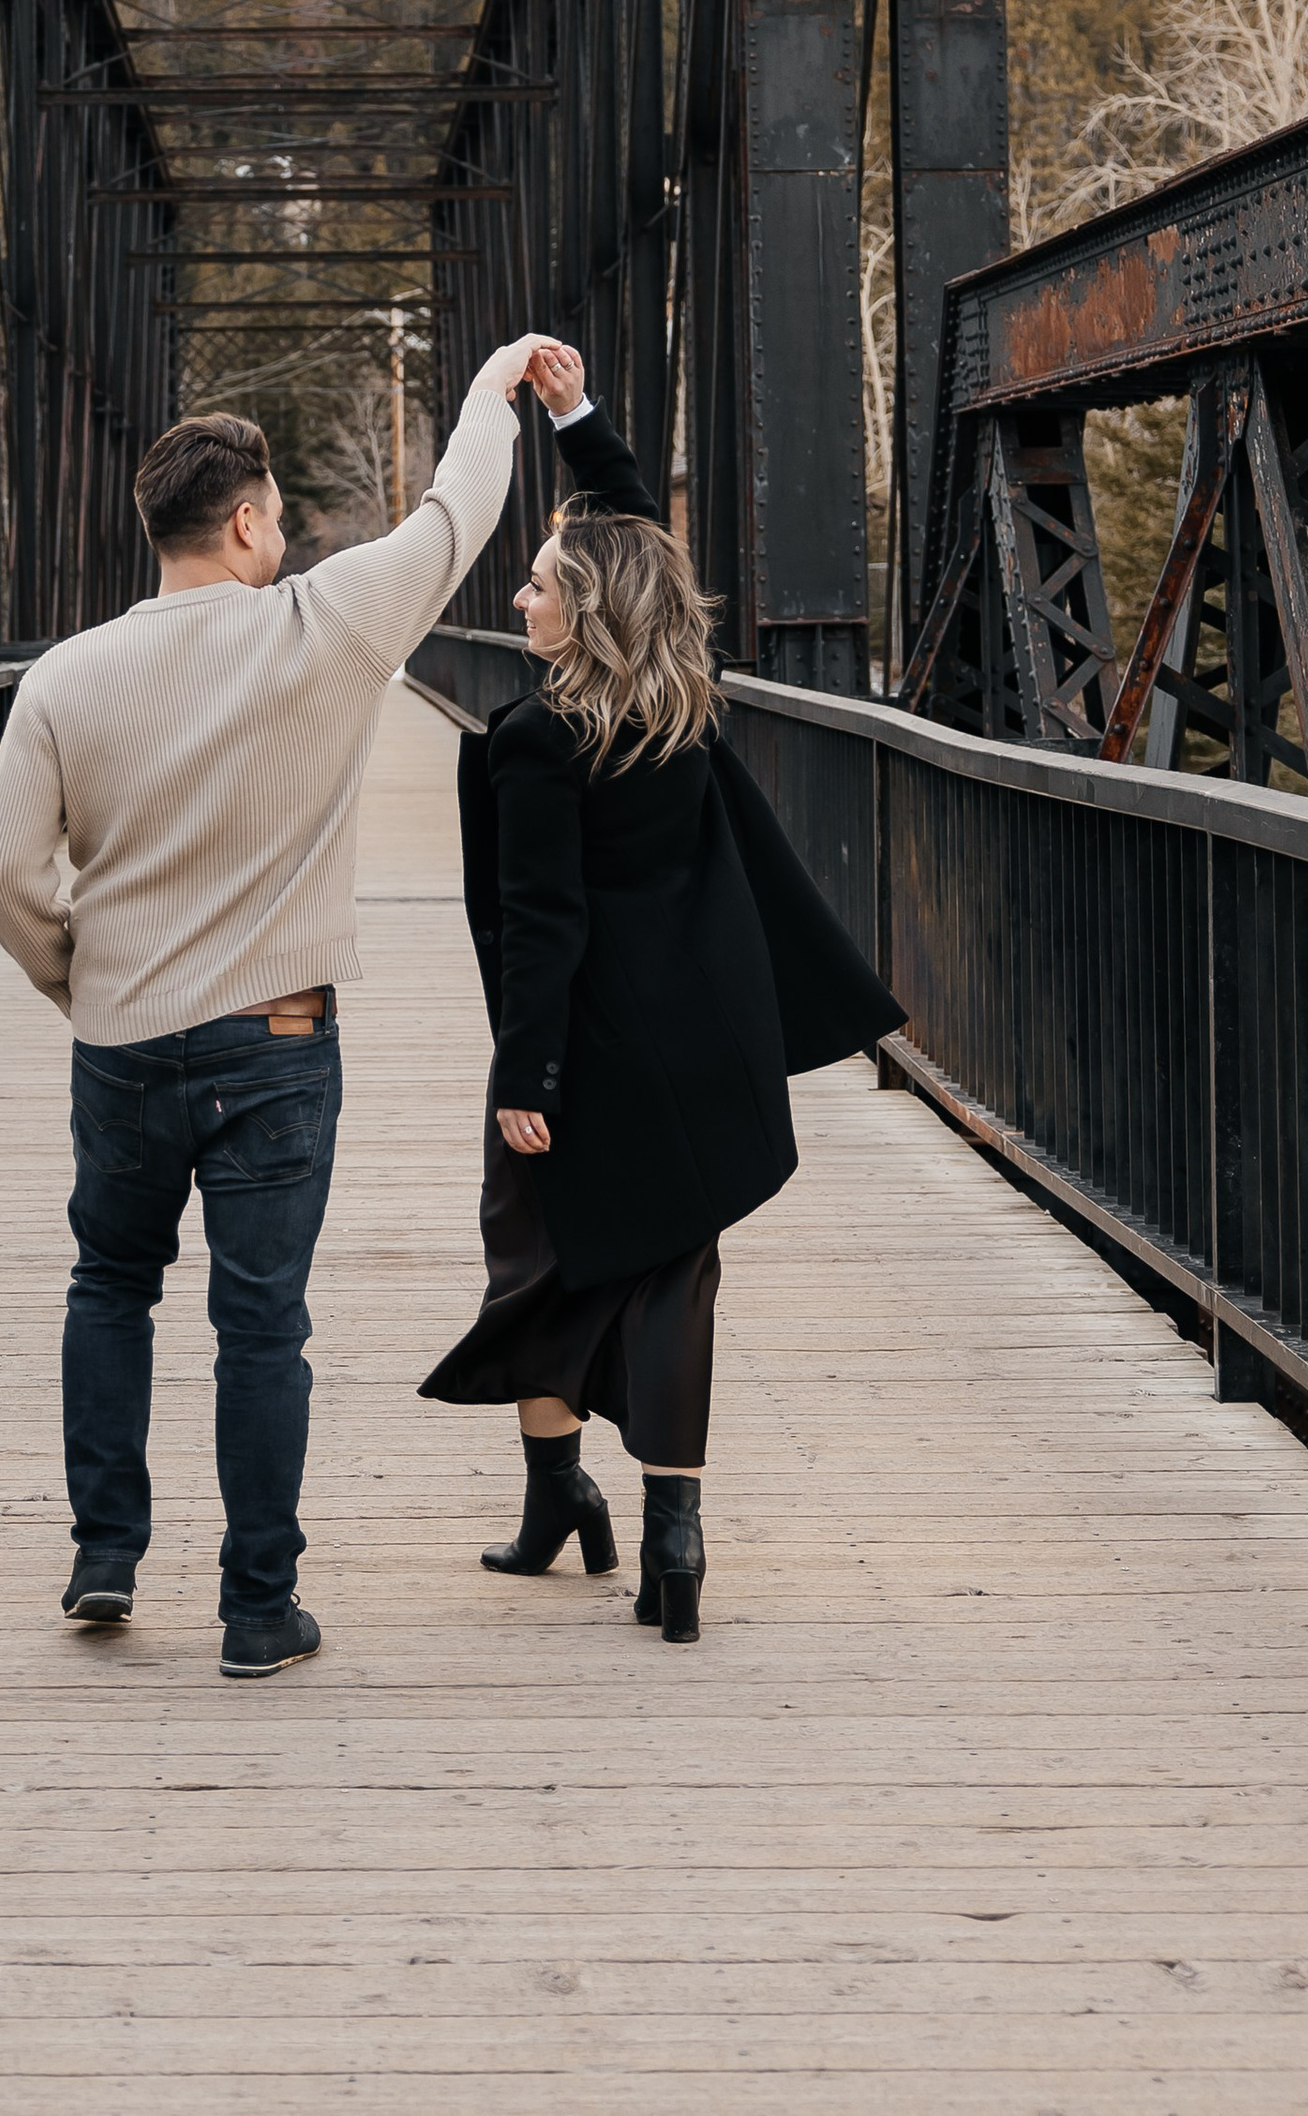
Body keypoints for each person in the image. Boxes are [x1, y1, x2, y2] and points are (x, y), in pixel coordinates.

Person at [0, 328, 558, 1680]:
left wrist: (80, 978)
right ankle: (255, 1609)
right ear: (243, 526)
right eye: (279, 524)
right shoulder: (329, 626)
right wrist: (490, 390)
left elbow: (4, 867)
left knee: (112, 1281)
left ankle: (107, 1550)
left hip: (120, 1039)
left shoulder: (64, 677)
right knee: (262, 1325)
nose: (286, 545)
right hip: (280, 1041)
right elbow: (458, 512)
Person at [420, 343, 904, 1642]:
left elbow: (542, 924)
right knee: (674, 1280)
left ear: (580, 614)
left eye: (535, 586)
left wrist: (527, 1077)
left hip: (582, 1048)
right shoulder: (680, 702)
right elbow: (636, 542)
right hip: (706, 1041)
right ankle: (672, 1539)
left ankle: (553, 1499)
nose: (517, 597)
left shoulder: (534, 739)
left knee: (537, 1264)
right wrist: (579, 414)